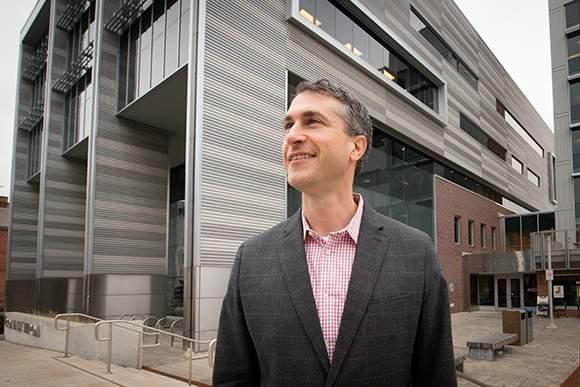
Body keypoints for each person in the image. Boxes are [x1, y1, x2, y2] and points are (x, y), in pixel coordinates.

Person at [212, 79, 457, 386]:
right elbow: (231, 379)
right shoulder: (251, 258)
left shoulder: (415, 252)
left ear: (356, 146)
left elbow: (437, 377)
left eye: (312, 121)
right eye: (288, 125)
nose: (293, 136)